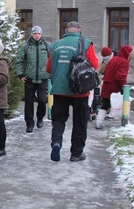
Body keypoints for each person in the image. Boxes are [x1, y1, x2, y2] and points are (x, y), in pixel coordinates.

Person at [47, 21, 98, 162]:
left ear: (66, 31)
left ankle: (56, 142)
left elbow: (48, 68)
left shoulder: (55, 45)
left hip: (59, 90)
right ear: (79, 30)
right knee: (80, 122)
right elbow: (94, 64)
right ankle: (76, 153)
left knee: (58, 120)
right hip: (80, 91)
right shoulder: (85, 43)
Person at [15, 25, 50, 133]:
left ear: (41, 34)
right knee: (29, 103)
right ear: (32, 34)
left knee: (42, 100)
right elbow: (19, 60)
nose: (37, 35)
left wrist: (52, 73)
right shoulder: (26, 46)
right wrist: (20, 74)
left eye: (39, 33)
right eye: (35, 33)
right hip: (29, 79)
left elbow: (52, 60)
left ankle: (40, 118)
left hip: (43, 78)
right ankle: (29, 123)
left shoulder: (47, 46)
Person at [96, 45, 134, 129]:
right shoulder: (124, 62)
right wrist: (124, 87)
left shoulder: (114, 59)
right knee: (123, 103)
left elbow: (107, 71)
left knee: (105, 104)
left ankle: (99, 122)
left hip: (107, 84)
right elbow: (120, 76)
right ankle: (125, 121)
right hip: (115, 86)